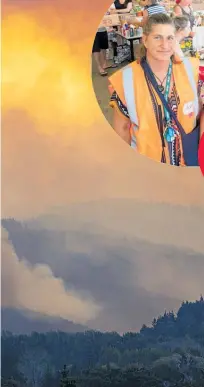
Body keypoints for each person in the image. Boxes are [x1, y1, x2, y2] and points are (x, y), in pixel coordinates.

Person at [108, 13, 204, 167]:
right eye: (157, 37)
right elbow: (122, 129)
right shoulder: (126, 79)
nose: (165, 45)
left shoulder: (190, 69)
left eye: (170, 38)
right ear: (145, 40)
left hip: (188, 162)